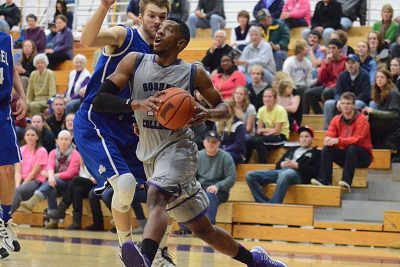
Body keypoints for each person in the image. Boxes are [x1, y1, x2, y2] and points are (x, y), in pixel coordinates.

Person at [91, 18, 287, 267]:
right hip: (150, 153)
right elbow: (100, 101)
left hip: (179, 150)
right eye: (159, 29)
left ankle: (146, 258)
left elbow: (223, 107)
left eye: (168, 30)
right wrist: (136, 104)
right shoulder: (135, 61)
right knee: (204, 229)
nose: (160, 32)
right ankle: (256, 261)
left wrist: (208, 113)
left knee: (156, 196)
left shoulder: (193, 72)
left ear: (181, 42)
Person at [75, 0, 176, 264]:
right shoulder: (124, 35)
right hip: (96, 118)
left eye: (161, 17)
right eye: (151, 15)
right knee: (126, 184)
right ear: (140, 17)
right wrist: (105, 6)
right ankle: (126, 247)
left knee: (163, 190)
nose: (156, 21)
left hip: (129, 124)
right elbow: (87, 40)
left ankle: (160, 254)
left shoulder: (161, 55)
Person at [0, 31, 27, 260]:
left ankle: (5, 220)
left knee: (8, 169)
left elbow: (13, 70)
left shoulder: (5, 39)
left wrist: (23, 96)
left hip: (2, 111)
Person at [19, 130, 81, 229]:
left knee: (52, 182)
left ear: (70, 141)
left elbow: (70, 173)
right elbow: (50, 166)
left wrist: (52, 176)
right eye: (61, 139)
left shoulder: (75, 154)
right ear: (57, 141)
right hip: (54, 183)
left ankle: (34, 200)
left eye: (66, 139)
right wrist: (51, 176)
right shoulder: (53, 152)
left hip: (69, 186)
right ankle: (53, 220)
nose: (63, 141)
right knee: (52, 188)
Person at [312, 92, 372, 192]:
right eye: (343, 103)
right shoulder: (336, 119)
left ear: (353, 105)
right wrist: (328, 139)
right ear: (340, 105)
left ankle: (346, 182)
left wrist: (338, 141)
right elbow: (330, 132)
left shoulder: (362, 120)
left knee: (352, 147)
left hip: (362, 156)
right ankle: (324, 180)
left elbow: (358, 139)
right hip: (346, 155)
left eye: (348, 103)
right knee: (327, 148)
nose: (345, 106)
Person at [246, 126, 320, 203]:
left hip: (297, 174)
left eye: (306, 136)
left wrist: (297, 166)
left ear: (312, 139)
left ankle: (274, 203)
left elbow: (315, 171)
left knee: (287, 173)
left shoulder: (316, 153)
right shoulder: (293, 149)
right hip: (281, 171)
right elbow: (277, 165)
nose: (303, 139)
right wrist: (281, 164)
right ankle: (263, 202)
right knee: (250, 175)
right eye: (301, 136)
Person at [323, 54, 371, 129]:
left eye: (352, 63)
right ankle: (327, 130)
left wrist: (352, 102)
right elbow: (337, 91)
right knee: (328, 104)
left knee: (357, 104)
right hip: (344, 101)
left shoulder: (365, 75)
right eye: (348, 63)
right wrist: (338, 100)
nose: (350, 65)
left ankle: (353, 128)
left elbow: (365, 93)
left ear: (358, 64)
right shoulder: (342, 75)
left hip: (359, 101)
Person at [47, 159, 97, 230]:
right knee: (77, 190)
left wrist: (94, 177)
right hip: (86, 183)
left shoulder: (96, 155)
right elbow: (83, 174)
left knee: (76, 180)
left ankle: (61, 209)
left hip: (98, 183)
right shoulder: (83, 156)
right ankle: (76, 223)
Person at [246, 89, 289, 164]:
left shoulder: (280, 110)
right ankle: (245, 163)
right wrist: (267, 131)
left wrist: (264, 130)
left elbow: (277, 131)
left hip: (281, 137)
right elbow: (259, 130)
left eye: (269, 97)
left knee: (259, 141)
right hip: (266, 136)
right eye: (265, 97)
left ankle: (263, 165)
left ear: (275, 99)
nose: (267, 99)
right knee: (248, 140)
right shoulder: (261, 110)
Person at [303, 39, 346, 114]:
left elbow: (342, 80)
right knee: (309, 93)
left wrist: (330, 86)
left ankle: (331, 114)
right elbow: (320, 79)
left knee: (327, 92)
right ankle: (320, 114)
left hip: (339, 87)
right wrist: (326, 64)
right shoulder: (326, 60)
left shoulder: (345, 61)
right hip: (327, 86)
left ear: (340, 50)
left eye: (333, 48)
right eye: (329, 48)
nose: (331, 50)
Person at [362, 69, 400, 153]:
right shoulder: (379, 92)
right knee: (365, 121)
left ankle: (373, 151)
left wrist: (373, 111)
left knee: (371, 125)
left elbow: (394, 114)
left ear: (388, 79)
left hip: (394, 124)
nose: (379, 79)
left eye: (382, 77)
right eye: (377, 77)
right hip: (385, 122)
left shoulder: (393, 93)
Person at [12, 127, 48, 213]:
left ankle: (5, 218)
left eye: (33, 135)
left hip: (35, 181)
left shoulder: (41, 151)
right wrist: (17, 185)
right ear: (24, 137)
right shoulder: (20, 150)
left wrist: (20, 186)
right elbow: (17, 171)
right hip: (21, 180)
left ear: (37, 137)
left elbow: (33, 173)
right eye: (28, 135)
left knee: (18, 191)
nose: (30, 137)